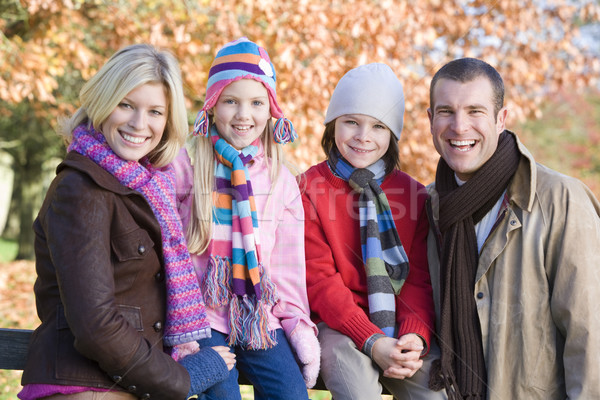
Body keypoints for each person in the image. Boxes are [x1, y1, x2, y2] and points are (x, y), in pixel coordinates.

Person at [18, 43, 236, 400]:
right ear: (103, 104)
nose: (139, 124)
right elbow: (95, 325)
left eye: (155, 112)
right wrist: (179, 379)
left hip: (121, 383)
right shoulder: (81, 189)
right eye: (126, 105)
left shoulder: (147, 186)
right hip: (84, 386)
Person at [426, 57, 600, 399]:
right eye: (446, 111)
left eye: (475, 111)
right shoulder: (428, 206)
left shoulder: (560, 200)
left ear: (501, 119)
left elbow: (590, 333)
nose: (459, 127)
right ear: (431, 120)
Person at [173, 37, 320, 400]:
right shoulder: (188, 169)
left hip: (258, 317)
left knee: (291, 394)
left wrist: (298, 328)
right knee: (222, 394)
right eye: (231, 101)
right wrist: (183, 333)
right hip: (202, 319)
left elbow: (287, 270)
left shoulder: (280, 180)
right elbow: (170, 254)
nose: (244, 115)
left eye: (256, 103)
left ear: (271, 110)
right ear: (211, 106)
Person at [301, 63, 447, 399]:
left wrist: (414, 335)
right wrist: (371, 340)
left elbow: (417, 279)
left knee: (435, 391)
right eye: (351, 121)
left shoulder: (412, 194)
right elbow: (320, 281)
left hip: (397, 322)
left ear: (392, 135)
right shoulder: (310, 187)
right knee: (357, 391)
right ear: (332, 123)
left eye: (378, 126)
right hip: (338, 325)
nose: (363, 136)